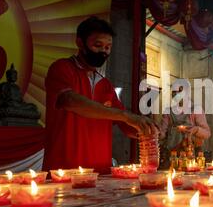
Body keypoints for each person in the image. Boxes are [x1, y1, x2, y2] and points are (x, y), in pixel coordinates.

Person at [43, 17, 158, 174]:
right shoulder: (62, 69)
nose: (103, 51)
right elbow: (70, 100)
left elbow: (127, 126)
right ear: (80, 43)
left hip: (100, 175)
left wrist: (147, 129)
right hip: (63, 172)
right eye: (98, 45)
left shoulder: (105, 85)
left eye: (108, 47)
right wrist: (124, 115)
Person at [158, 85, 211, 170]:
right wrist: (156, 133)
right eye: (174, 92)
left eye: (179, 92)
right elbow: (162, 134)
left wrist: (196, 130)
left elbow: (207, 133)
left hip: (193, 155)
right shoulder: (168, 112)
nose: (176, 94)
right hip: (173, 156)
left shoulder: (195, 110)